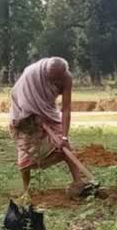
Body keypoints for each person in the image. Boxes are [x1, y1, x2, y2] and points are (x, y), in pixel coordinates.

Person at [9, 57, 92, 199]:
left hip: (48, 112)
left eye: (57, 79)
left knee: (65, 146)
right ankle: (26, 190)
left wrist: (64, 137)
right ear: (45, 73)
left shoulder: (67, 78)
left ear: (64, 73)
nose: (54, 82)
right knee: (25, 154)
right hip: (25, 117)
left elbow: (66, 109)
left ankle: (78, 182)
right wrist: (31, 115)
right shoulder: (31, 74)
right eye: (51, 78)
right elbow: (19, 97)